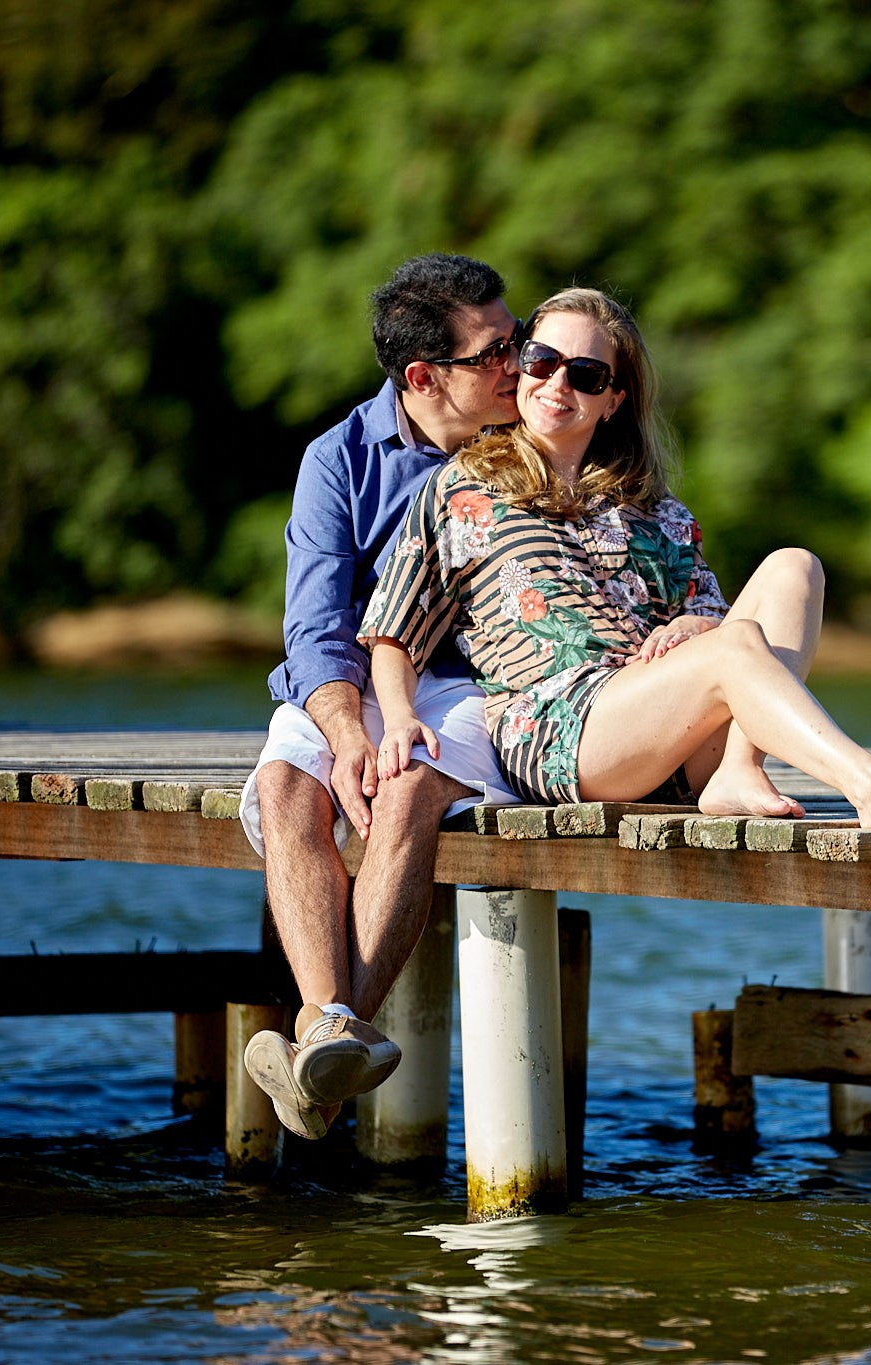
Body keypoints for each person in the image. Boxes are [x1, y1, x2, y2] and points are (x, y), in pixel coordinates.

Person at [358, 286, 871, 832]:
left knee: (794, 566)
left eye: (587, 375)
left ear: (614, 400)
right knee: (731, 649)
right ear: (520, 369)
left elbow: (721, 618)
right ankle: (870, 785)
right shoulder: (464, 488)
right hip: (560, 731)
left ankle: (738, 770)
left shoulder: (653, 506)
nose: (558, 384)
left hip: (671, 735)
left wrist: (695, 624)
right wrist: (399, 717)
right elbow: (395, 626)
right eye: (542, 361)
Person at [236, 253, 523, 1141]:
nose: (522, 365)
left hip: (467, 688)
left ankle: (316, 1046)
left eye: (517, 340)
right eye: (496, 353)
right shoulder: (339, 459)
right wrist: (343, 730)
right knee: (289, 787)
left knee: (407, 787)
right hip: (352, 686)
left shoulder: (529, 448)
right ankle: (335, 1029)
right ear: (423, 377)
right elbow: (314, 627)